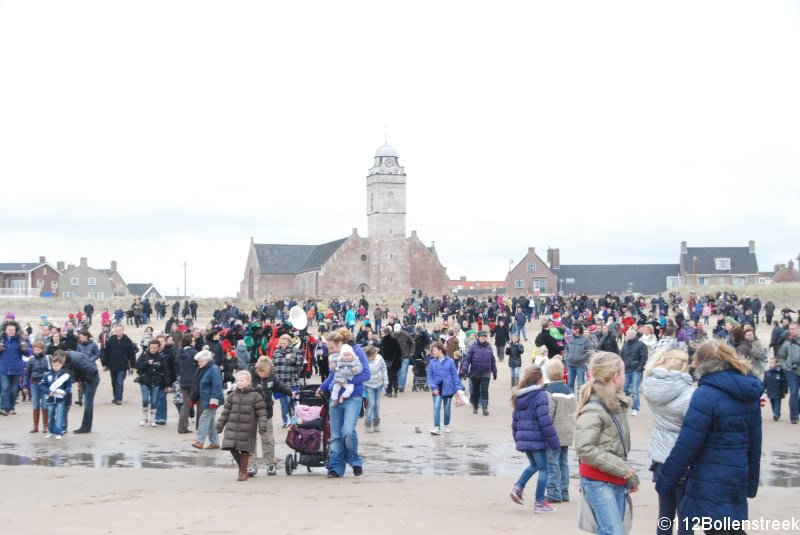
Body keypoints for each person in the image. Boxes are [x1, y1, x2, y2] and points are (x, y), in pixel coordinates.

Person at [657, 342, 762, 535]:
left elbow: (687, 444)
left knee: (717, 529)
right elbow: (755, 443)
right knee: (731, 528)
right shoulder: (749, 391)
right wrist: (751, 481)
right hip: (737, 472)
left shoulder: (705, 394)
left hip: (710, 475)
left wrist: (667, 478)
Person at [574, 352, 639, 535]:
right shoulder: (595, 408)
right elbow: (584, 448)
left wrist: (627, 475)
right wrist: (621, 468)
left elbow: (616, 448)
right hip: (597, 481)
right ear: (616, 377)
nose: (625, 377)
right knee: (613, 531)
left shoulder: (615, 404)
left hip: (614, 478)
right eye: (623, 373)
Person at [641, 349, 694, 535]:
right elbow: (693, 426)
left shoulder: (652, 387)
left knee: (665, 514)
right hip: (681, 455)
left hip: (660, 455)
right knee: (686, 516)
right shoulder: (688, 393)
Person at [317, 328, 370, 478]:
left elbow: (366, 374)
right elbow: (333, 375)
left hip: (353, 397)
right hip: (334, 398)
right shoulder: (336, 357)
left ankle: (354, 460)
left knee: (347, 431)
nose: (330, 350)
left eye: (332, 347)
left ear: (340, 343)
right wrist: (322, 387)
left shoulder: (356, 352)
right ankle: (335, 467)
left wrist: (347, 380)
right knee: (335, 435)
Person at [509, 366, 560, 513]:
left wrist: (517, 440)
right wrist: (554, 442)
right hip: (536, 438)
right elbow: (544, 421)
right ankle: (539, 502)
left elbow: (515, 421)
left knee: (534, 465)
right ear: (540, 379)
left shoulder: (518, 396)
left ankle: (518, 487)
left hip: (524, 437)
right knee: (544, 469)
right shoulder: (540, 395)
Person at [215, 370, 268, 481]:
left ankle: (243, 472)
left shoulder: (255, 396)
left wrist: (262, 426)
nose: (239, 382)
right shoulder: (232, 396)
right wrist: (219, 425)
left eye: (242, 380)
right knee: (232, 448)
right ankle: (242, 468)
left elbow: (262, 413)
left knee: (244, 450)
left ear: (249, 382)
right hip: (232, 427)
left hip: (247, 428)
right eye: (237, 380)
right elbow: (225, 413)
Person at [249, 356, 296, 477]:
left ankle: (270, 465)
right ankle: (251, 466)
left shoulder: (270, 375)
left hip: (266, 413)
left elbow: (279, 385)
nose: (266, 376)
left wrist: (290, 391)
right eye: (265, 373)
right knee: (250, 440)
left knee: (268, 439)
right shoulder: (248, 376)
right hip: (250, 413)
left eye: (269, 373)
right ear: (258, 369)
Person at [542, 359, 576, 504]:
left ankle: (554, 492)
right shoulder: (569, 391)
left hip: (554, 433)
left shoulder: (549, 392)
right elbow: (574, 410)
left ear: (548, 374)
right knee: (563, 462)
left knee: (552, 462)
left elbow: (547, 415)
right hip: (567, 430)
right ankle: (564, 491)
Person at [426, 341, 463, 435]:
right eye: (432, 350)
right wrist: (433, 388)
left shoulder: (450, 361)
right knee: (436, 407)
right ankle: (437, 427)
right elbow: (429, 377)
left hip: (448, 388)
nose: (432, 352)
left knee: (446, 408)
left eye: (434, 350)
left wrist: (458, 388)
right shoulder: (432, 362)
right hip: (437, 388)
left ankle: (446, 425)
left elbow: (455, 376)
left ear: (440, 350)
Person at [190, 349, 224, 450]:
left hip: (213, 399)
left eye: (200, 361)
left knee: (204, 418)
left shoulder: (214, 368)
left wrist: (214, 400)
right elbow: (197, 384)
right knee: (210, 421)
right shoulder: (202, 368)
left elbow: (217, 385)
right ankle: (215, 442)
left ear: (207, 360)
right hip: (206, 399)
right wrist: (194, 398)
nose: (198, 363)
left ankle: (200, 441)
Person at [461, 331, 497, 416]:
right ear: (478, 337)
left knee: (484, 390)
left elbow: (492, 360)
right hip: (475, 372)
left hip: (486, 372)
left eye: (485, 336)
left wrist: (494, 371)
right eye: (482, 336)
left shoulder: (489, 347)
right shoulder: (473, 347)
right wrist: (464, 370)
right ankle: (475, 406)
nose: (483, 338)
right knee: (475, 391)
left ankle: (485, 408)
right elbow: (467, 360)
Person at [135, 339, 169, 427]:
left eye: (155, 348)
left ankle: (153, 420)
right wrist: (146, 363)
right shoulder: (143, 355)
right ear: (149, 347)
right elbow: (137, 366)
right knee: (145, 399)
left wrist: (167, 385)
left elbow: (165, 371)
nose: (153, 349)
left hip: (156, 382)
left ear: (158, 348)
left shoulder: (160, 357)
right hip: (144, 381)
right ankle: (144, 418)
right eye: (151, 348)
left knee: (154, 401)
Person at [272, 334, 303, 427]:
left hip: (292, 381)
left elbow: (300, 365)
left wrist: (291, 358)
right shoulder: (276, 352)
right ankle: (286, 421)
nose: (283, 344)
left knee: (293, 402)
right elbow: (274, 364)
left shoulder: (296, 351)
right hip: (280, 382)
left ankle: (296, 420)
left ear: (289, 342)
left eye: (285, 343)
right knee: (283, 403)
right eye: (281, 343)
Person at [100, 325, 137, 405]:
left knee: (119, 382)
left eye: (120, 330)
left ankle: (118, 399)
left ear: (123, 330)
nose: (118, 331)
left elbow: (132, 354)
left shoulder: (127, 340)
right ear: (115, 331)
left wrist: (132, 366)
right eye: (117, 330)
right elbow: (106, 352)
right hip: (112, 365)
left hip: (123, 365)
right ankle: (115, 397)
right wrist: (104, 364)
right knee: (113, 382)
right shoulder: (111, 339)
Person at [42, 352, 72, 440]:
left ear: (61, 365)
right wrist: (48, 392)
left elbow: (69, 386)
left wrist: (65, 392)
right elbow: (42, 385)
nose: (55, 367)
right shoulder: (47, 375)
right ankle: (51, 431)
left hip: (61, 399)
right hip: (50, 399)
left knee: (59, 416)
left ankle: (59, 432)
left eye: (57, 366)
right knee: (50, 416)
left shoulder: (66, 375)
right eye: (53, 365)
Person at [0, 321, 27, 416]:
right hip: (3, 368)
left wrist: (24, 348)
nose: (11, 331)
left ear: (16, 330)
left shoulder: (19, 339)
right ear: (5, 330)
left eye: (13, 330)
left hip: (16, 368)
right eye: (9, 330)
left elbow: (28, 353)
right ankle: (4, 408)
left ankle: (11, 407)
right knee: (5, 388)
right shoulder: (1, 339)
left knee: (14, 390)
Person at [620, 328, 648, 416]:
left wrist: (639, 368)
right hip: (626, 369)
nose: (625, 336)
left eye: (627, 335)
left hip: (635, 370)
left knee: (635, 390)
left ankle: (635, 408)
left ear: (631, 336)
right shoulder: (625, 344)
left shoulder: (641, 344)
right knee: (624, 389)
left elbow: (644, 357)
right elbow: (621, 355)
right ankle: (625, 406)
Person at [776, 321, 800, 424]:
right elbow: (780, 356)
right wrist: (785, 367)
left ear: (798, 328)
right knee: (794, 392)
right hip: (792, 371)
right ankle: (794, 416)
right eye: (789, 329)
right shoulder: (787, 343)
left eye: (793, 329)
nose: (790, 331)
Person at [174, 334, 198, 434]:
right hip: (194, 381)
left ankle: (182, 427)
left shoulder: (179, 352)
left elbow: (176, 367)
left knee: (185, 405)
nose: (195, 341)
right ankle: (200, 427)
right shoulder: (194, 353)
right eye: (193, 340)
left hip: (183, 380)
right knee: (200, 403)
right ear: (191, 342)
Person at [25, 342, 50, 432]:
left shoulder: (46, 358)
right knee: (35, 404)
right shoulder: (31, 360)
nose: (36, 351)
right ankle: (35, 426)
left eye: (38, 350)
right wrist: (25, 385)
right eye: (35, 350)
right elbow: (27, 373)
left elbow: (50, 371)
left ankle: (45, 426)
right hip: (34, 384)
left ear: (42, 350)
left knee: (45, 404)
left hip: (44, 384)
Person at [363, 345, 387, 433]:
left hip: (379, 384)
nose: (374, 356)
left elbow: (384, 369)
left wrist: (386, 382)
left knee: (377, 405)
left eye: (375, 354)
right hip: (369, 385)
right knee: (371, 404)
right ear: (368, 355)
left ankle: (376, 423)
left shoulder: (379, 358)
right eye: (372, 355)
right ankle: (368, 423)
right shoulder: (364, 361)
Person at [565, 323, 592, 392]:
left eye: (573, 328)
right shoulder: (570, 338)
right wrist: (567, 356)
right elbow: (566, 348)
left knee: (581, 385)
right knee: (570, 384)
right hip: (570, 365)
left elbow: (589, 351)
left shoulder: (585, 340)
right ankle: (571, 400)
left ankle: (582, 401)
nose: (571, 330)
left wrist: (581, 358)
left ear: (578, 330)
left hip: (580, 366)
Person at [764, 356, 788, 421]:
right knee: (772, 404)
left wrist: (785, 390)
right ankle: (775, 413)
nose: (771, 364)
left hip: (778, 391)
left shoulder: (780, 373)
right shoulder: (767, 373)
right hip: (770, 391)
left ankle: (776, 415)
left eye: (772, 363)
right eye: (770, 363)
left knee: (777, 404)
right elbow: (765, 382)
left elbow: (784, 382)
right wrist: (762, 389)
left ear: (777, 364)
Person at [393, 323, 414, 393]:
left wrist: (411, 352)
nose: (397, 331)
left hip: (405, 356)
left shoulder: (406, 334)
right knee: (398, 372)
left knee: (403, 371)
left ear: (401, 328)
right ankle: (398, 384)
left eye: (398, 330)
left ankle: (401, 386)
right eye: (396, 330)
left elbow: (412, 343)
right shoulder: (392, 335)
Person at [381, 327, 402, 397]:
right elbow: (399, 351)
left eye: (383, 333)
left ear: (386, 333)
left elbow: (383, 352)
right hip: (394, 362)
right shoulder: (394, 340)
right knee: (394, 377)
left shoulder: (384, 341)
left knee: (388, 377)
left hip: (388, 362)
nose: (381, 334)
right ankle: (394, 390)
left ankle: (390, 391)